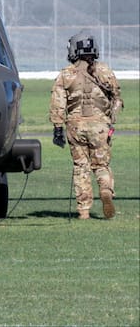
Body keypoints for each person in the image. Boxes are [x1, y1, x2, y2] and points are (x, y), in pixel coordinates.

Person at [50, 32, 123, 220]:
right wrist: (110, 120)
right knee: (101, 165)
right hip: (100, 127)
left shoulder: (66, 74)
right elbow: (117, 98)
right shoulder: (105, 71)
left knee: (80, 167)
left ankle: (83, 211)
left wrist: (58, 128)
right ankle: (106, 190)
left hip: (76, 127)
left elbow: (58, 103)